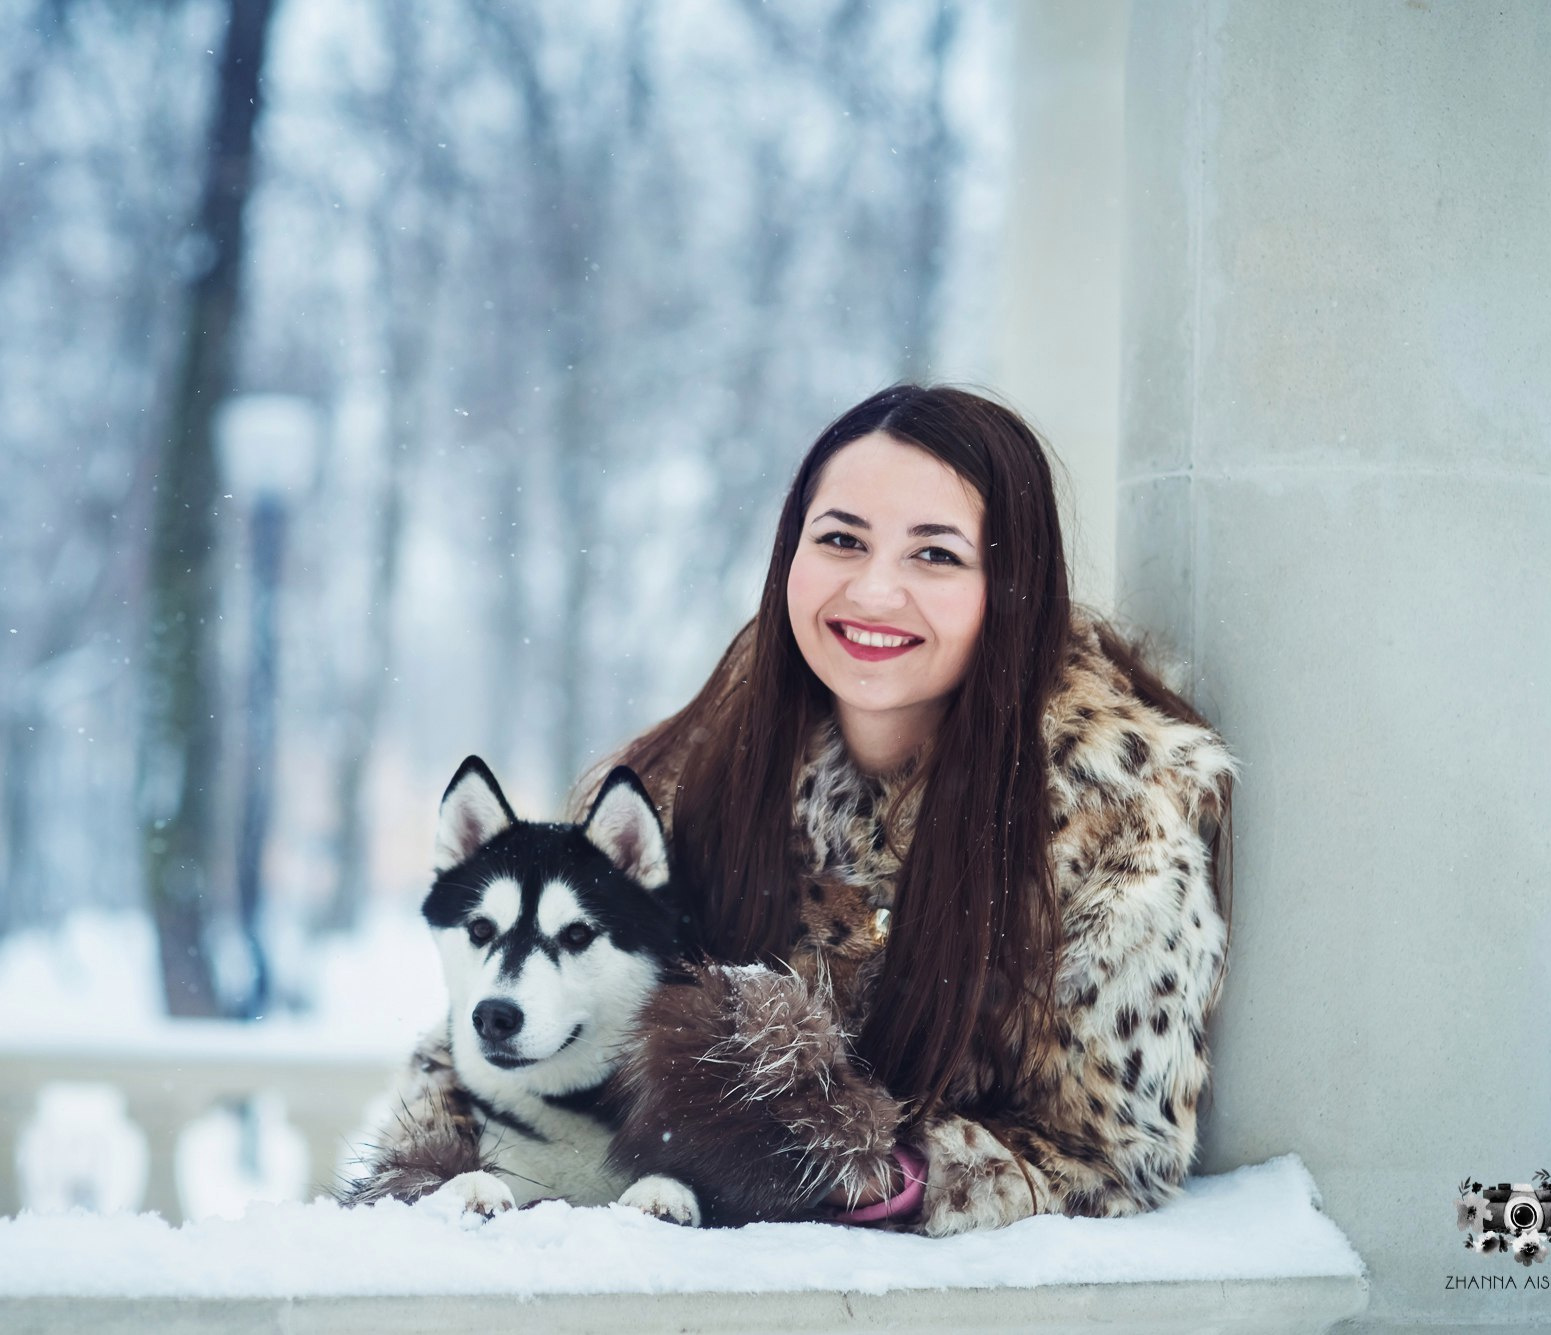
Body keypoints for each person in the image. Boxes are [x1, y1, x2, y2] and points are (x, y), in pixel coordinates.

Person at [363, 383, 1235, 1234]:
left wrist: (880, 1177)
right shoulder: (699, 768)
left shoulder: (1110, 818)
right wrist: (441, 1176)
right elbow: (515, 1022)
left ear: (1011, 585)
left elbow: (1119, 1157)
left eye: (935, 554)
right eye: (842, 540)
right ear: (791, 554)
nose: (874, 591)